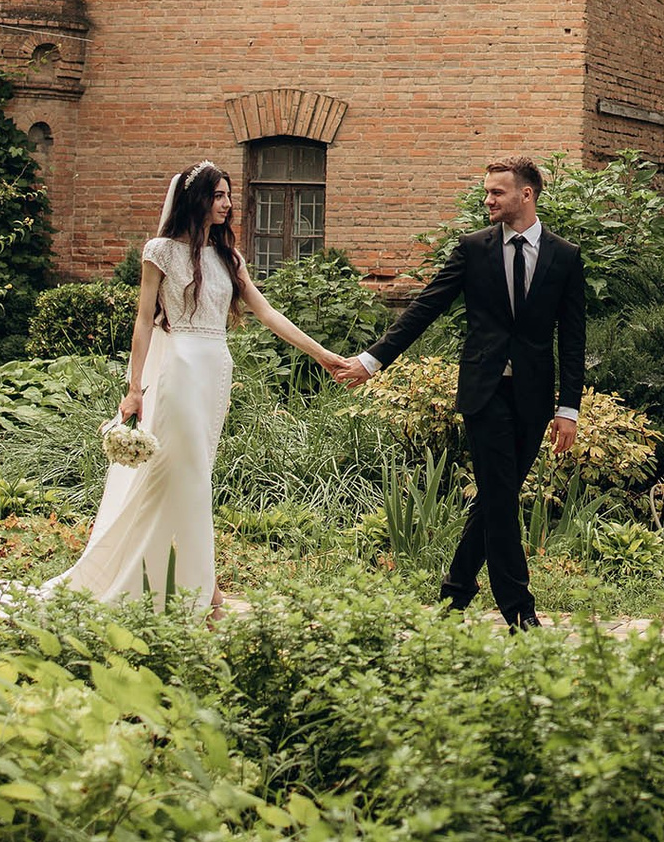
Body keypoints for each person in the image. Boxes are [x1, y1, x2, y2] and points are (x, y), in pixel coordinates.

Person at [43, 159, 359, 613]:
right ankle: (205, 595)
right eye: (219, 196)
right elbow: (143, 323)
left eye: (229, 196)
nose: (228, 205)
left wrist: (324, 355)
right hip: (179, 369)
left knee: (194, 478)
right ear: (196, 199)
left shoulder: (229, 257)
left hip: (216, 368)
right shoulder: (160, 251)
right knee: (188, 479)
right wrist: (134, 388)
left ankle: (188, 583)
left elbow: (268, 314)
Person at [339, 155, 583, 629]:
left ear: (525, 195)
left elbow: (572, 339)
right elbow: (425, 307)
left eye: (497, 192)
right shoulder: (473, 249)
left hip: (534, 398)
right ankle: (519, 612)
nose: (487, 199)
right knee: (500, 494)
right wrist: (372, 361)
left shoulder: (564, 256)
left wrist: (568, 407)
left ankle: (454, 594)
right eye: (487, 191)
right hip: (483, 391)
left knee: (498, 494)